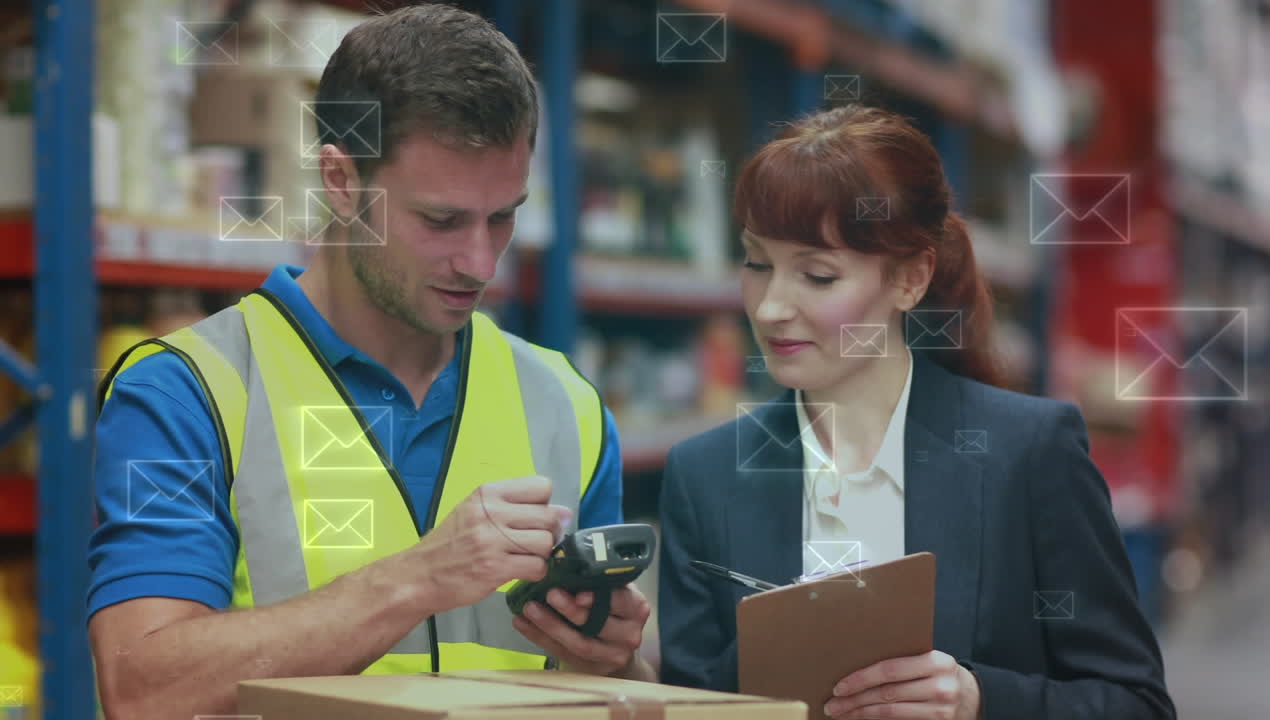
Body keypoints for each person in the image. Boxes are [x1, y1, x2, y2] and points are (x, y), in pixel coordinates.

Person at [88, 7, 653, 719]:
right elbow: (142, 688)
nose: (480, 262)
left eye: (502, 216)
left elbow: (630, 684)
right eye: (440, 221)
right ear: (341, 180)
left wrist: (619, 656)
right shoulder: (186, 393)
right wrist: (416, 580)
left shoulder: (564, 403)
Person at [657, 105, 1175, 720]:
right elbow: (687, 703)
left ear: (911, 278)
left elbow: (1135, 703)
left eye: (817, 276)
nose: (770, 308)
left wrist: (980, 699)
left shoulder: (1027, 455)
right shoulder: (704, 477)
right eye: (756, 263)